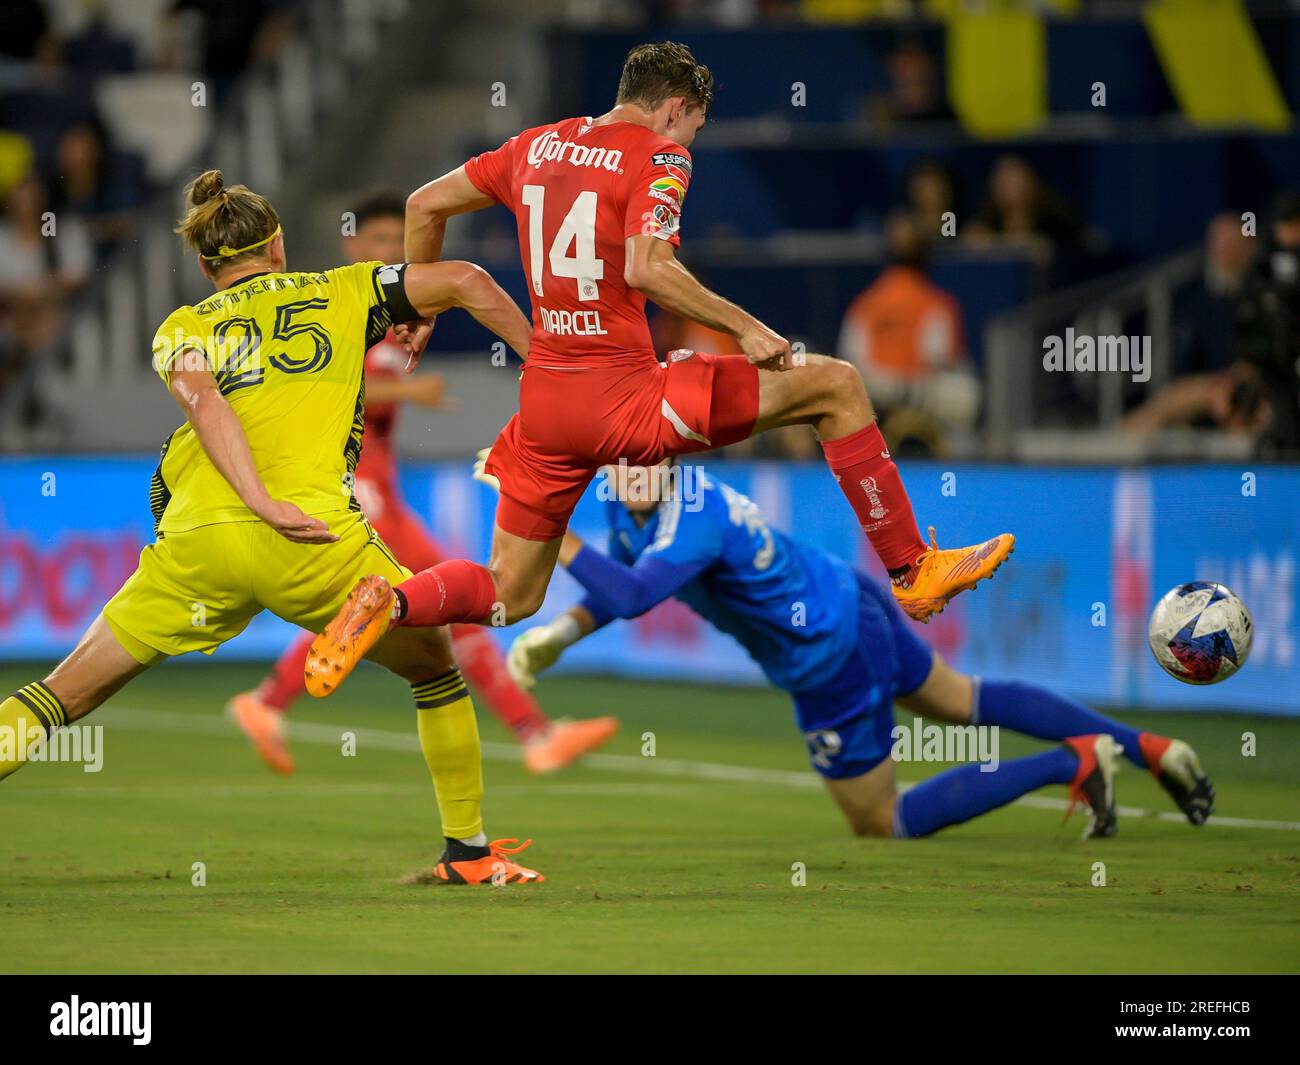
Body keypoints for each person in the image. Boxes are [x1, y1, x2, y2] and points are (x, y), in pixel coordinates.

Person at [307, 41, 1014, 699]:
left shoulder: (533, 145)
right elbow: (647, 266)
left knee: (508, 592)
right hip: (627, 399)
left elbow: (422, 203)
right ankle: (911, 569)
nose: (689, 144)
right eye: (694, 128)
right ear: (676, 107)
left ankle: (393, 598)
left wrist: (418, 305)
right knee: (837, 385)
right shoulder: (659, 156)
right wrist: (745, 326)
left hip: (547, 405)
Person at [0, 169, 544, 885]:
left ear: (205, 266)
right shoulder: (348, 289)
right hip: (313, 539)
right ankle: (468, 855)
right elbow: (471, 278)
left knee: (59, 695)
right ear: (279, 245)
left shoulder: (185, 324)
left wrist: (249, 497)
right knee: (437, 666)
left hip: (198, 541)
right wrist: (544, 367)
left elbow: (204, 405)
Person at [506, 461, 1216, 840]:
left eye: (647, 453)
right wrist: (558, 635)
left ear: (673, 453)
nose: (634, 466)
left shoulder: (695, 517)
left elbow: (633, 595)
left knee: (882, 821)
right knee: (959, 698)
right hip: (848, 596)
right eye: (623, 456)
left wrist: (544, 523)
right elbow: (623, 581)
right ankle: (1146, 745)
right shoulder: (631, 501)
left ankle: (1075, 758)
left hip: (827, 650)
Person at [227, 191, 617, 775]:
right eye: (378, 241)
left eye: (396, 243)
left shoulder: (386, 318)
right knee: (452, 602)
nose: (390, 252)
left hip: (374, 487)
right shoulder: (339, 310)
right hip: (356, 492)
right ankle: (535, 737)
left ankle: (268, 701)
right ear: (352, 245)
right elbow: (325, 390)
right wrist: (409, 391)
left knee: (372, 610)